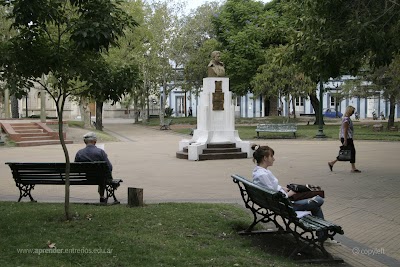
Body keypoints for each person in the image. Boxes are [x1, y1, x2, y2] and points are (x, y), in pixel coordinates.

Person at [75, 132, 113, 203]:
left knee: (101, 175)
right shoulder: (100, 152)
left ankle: (102, 195)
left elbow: (76, 167)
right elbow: (109, 167)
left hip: (86, 177)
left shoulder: (79, 153)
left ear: (85, 142)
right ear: (95, 142)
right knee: (102, 175)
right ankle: (102, 196)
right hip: (100, 178)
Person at [328, 105, 361, 173]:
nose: (353, 113)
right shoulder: (346, 119)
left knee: (347, 152)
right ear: (349, 111)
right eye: (352, 111)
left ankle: (332, 163)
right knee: (349, 152)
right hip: (347, 138)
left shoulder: (346, 118)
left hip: (347, 137)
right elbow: (345, 130)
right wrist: (345, 140)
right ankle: (353, 168)